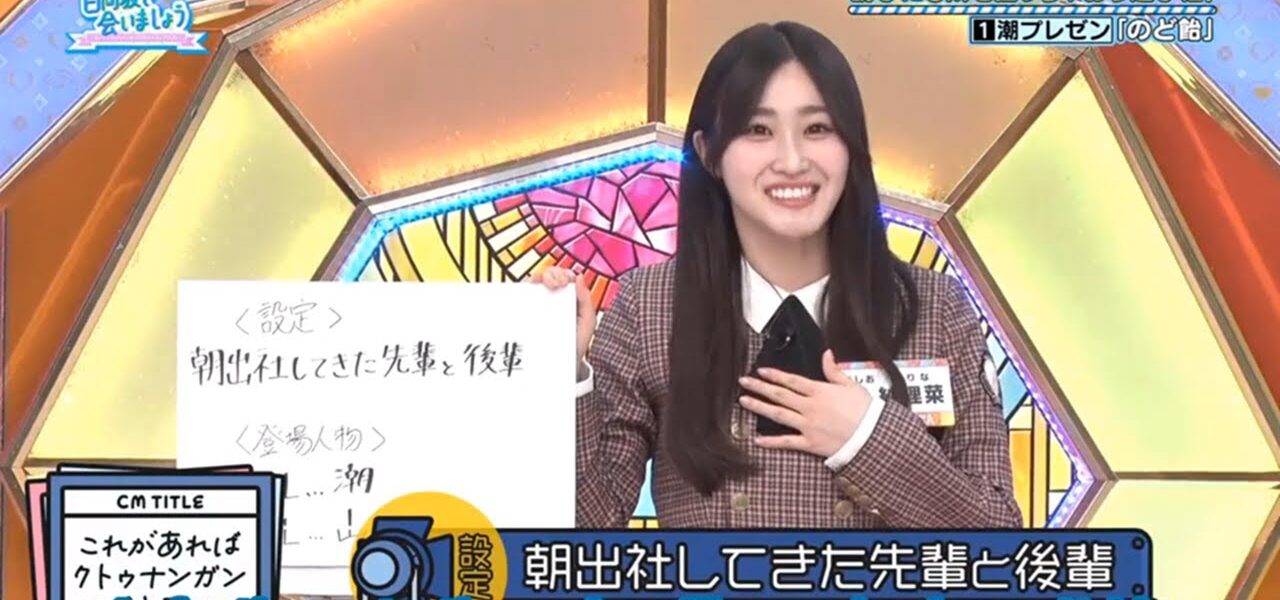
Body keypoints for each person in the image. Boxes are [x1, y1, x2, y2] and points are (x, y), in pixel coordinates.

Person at [534, 21, 1021, 529]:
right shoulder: (650, 305)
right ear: (708, 153)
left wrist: (865, 438)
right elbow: (585, 532)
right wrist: (559, 371)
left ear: (851, 146)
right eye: (758, 131)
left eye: (817, 129)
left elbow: (1000, 538)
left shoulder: (936, 307)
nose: (792, 161)